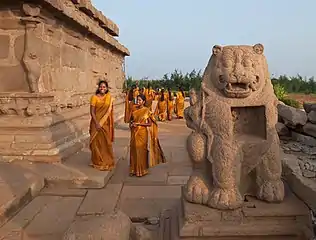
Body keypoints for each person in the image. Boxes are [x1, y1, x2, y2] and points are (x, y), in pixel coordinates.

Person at [129, 94, 166, 177]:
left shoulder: (146, 111)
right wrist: (132, 124)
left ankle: (142, 170)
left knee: (141, 151)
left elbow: (149, 124)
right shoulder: (134, 109)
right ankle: (133, 169)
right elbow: (131, 121)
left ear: (143, 102)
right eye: (137, 100)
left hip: (142, 133)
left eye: (139, 100)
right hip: (134, 132)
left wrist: (139, 124)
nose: (138, 102)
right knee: (134, 150)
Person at [89, 80, 115, 171]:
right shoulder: (94, 97)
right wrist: (96, 123)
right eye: (101, 87)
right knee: (96, 143)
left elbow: (109, 112)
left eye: (104, 87)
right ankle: (97, 162)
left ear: (107, 88)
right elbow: (92, 112)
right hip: (95, 123)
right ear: (98, 87)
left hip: (105, 124)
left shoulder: (109, 98)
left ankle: (106, 161)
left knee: (106, 143)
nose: (102, 88)